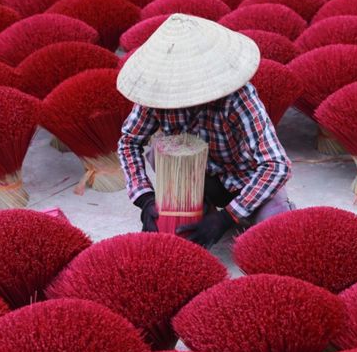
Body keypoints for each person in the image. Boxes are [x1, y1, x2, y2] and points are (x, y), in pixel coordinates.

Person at [116, 13, 292, 248]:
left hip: (244, 179)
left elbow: (277, 165)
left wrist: (227, 217)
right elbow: (129, 141)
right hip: (193, 177)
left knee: (278, 231)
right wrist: (145, 197)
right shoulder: (158, 93)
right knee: (157, 156)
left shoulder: (238, 98)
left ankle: (226, 210)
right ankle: (200, 205)